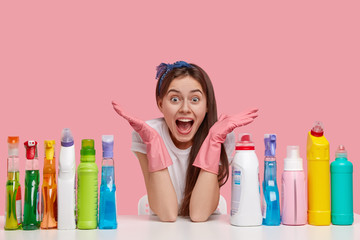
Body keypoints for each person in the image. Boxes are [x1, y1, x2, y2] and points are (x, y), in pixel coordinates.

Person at [112, 61, 258, 222]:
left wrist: (213, 140)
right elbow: (168, 214)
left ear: (207, 105)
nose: (185, 108)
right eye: (175, 99)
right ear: (161, 104)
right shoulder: (146, 133)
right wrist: (153, 142)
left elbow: (199, 214)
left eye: (195, 100)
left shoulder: (221, 136)